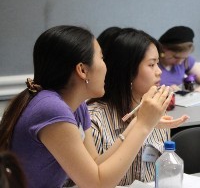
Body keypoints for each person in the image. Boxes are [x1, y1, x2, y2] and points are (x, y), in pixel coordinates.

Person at [0, 25, 172, 188]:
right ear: (82, 70)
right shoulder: (51, 109)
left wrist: (138, 122)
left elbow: (96, 163)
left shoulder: (77, 105)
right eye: (102, 58)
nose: (106, 67)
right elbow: (97, 184)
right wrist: (143, 126)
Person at [87, 27, 188, 185]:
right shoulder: (94, 120)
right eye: (152, 64)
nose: (159, 72)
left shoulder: (156, 112)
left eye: (158, 63)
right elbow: (90, 180)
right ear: (128, 70)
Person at [158, 26, 200, 92]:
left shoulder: (186, 61)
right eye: (175, 57)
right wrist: (163, 91)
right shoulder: (153, 64)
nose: (180, 62)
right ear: (163, 49)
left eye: (184, 58)